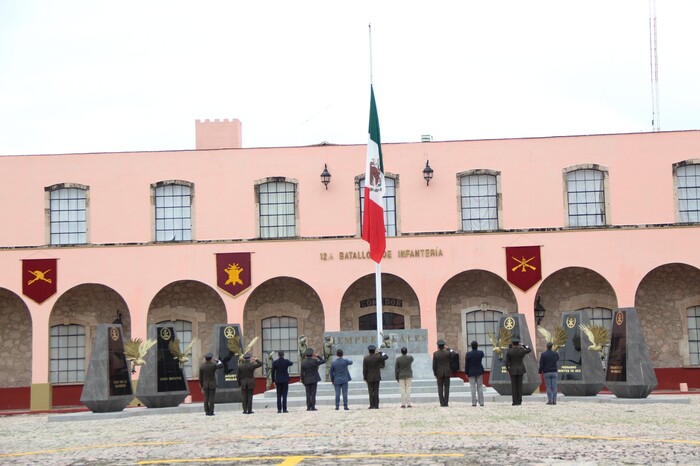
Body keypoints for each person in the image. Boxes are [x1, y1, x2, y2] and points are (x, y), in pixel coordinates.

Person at [505, 338, 532, 406]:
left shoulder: (509, 351)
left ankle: (514, 402)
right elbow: (529, 349)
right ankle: (519, 401)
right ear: (518, 344)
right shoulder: (521, 351)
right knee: (519, 386)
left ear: (513, 344)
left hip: (512, 369)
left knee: (514, 386)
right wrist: (524, 345)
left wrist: (507, 369)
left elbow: (506, 362)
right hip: (520, 369)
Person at [363, 344, 389, 409]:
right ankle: (376, 405)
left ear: (369, 351)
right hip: (377, 376)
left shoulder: (366, 358)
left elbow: (364, 369)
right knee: (376, 391)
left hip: (369, 377)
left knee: (370, 392)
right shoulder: (378, 357)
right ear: (374, 351)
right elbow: (386, 356)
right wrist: (380, 352)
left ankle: (372, 405)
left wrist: (365, 377)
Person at [432, 339, 454, 407]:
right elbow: (454, 353)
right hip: (447, 372)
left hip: (439, 373)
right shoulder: (447, 353)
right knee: (447, 388)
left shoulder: (435, 354)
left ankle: (442, 402)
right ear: (443, 346)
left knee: (440, 388)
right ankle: (446, 402)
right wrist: (449, 348)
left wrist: (435, 373)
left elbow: (434, 365)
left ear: (438, 346)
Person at [464, 340, 485, 407]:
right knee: (480, 387)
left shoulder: (468, 354)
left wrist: (466, 372)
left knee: (472, 387)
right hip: (479, 371)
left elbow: (467, 364)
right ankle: (481, 402)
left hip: (471, 371)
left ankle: (474, 402)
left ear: (471, 346)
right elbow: (482, 357)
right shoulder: (480, 353)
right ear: (477, 346)